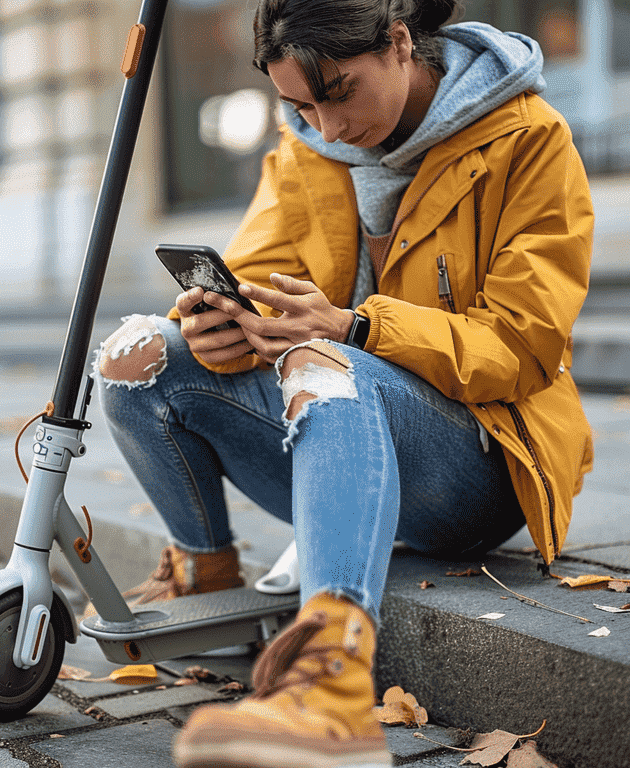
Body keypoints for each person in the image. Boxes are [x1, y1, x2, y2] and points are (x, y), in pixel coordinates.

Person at [93, 0, 594, 764]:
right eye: (297, 104)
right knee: (140, 352)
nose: (324, 126)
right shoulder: (302, 152)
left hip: (479, 465)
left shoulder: (527, 138)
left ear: (398, 43)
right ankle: (206, 580)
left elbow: (525, 345)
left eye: (337, 93)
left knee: (322, 360)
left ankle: (334, 695)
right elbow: (256, 285)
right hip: (332, 420)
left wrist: (356, 327)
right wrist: (216, 330)